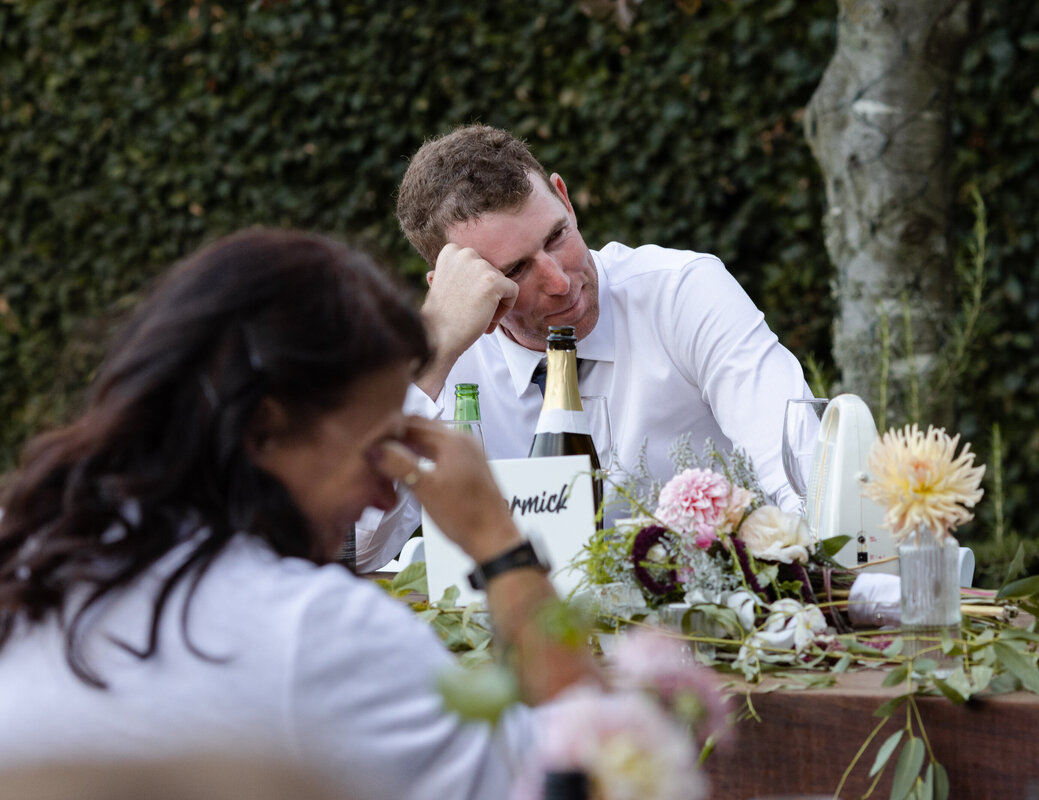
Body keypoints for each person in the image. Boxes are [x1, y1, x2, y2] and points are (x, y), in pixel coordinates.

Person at [0, 230, 597, 800]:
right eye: (375, 449)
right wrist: (501, 545)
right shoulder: (314, 631)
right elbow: (597, 770)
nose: (388, 497)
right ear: (265, 428)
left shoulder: (33, 556)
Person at [358, 124, 818, 572]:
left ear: (565, 198)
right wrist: (434, 356)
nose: (559, 281)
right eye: (515, 271)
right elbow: (353, 550)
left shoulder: (680, 294)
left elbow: (807, 475)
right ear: (453, 286)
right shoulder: (447, 361)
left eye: (557, 237)